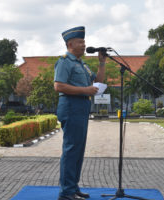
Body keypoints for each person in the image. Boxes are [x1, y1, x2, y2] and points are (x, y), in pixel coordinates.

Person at [54, 26, 106, 200]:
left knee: (78, 150)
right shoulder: (64, 62)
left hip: (81, 108)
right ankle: (66, 192)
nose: (84, 45)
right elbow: (58, 85)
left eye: (84, 41)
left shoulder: (82, 64)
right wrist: (85, 90)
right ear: (70, 44)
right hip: (70, 107)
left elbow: (98, 81)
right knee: (71, 149)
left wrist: (101, 63)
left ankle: (72, 186)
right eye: (80, 42)